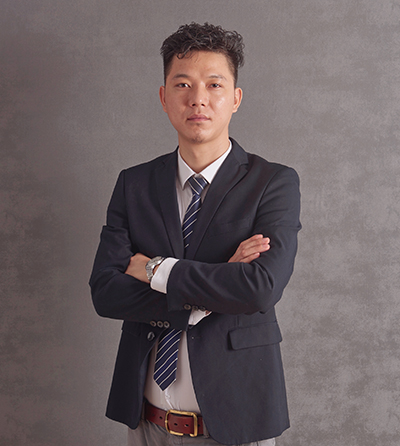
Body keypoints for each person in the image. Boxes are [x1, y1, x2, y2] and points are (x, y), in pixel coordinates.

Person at [90, 22, 301, 446]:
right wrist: (213, 290)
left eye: (214, 84)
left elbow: (259, 288)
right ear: (164, 97)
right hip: (146, 423)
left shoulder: (273, 183)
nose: (198, 98)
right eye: (183, 84)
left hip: (237, 422)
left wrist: (155, 270)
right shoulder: (134, 184)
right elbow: (106, 292)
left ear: (235, 98)